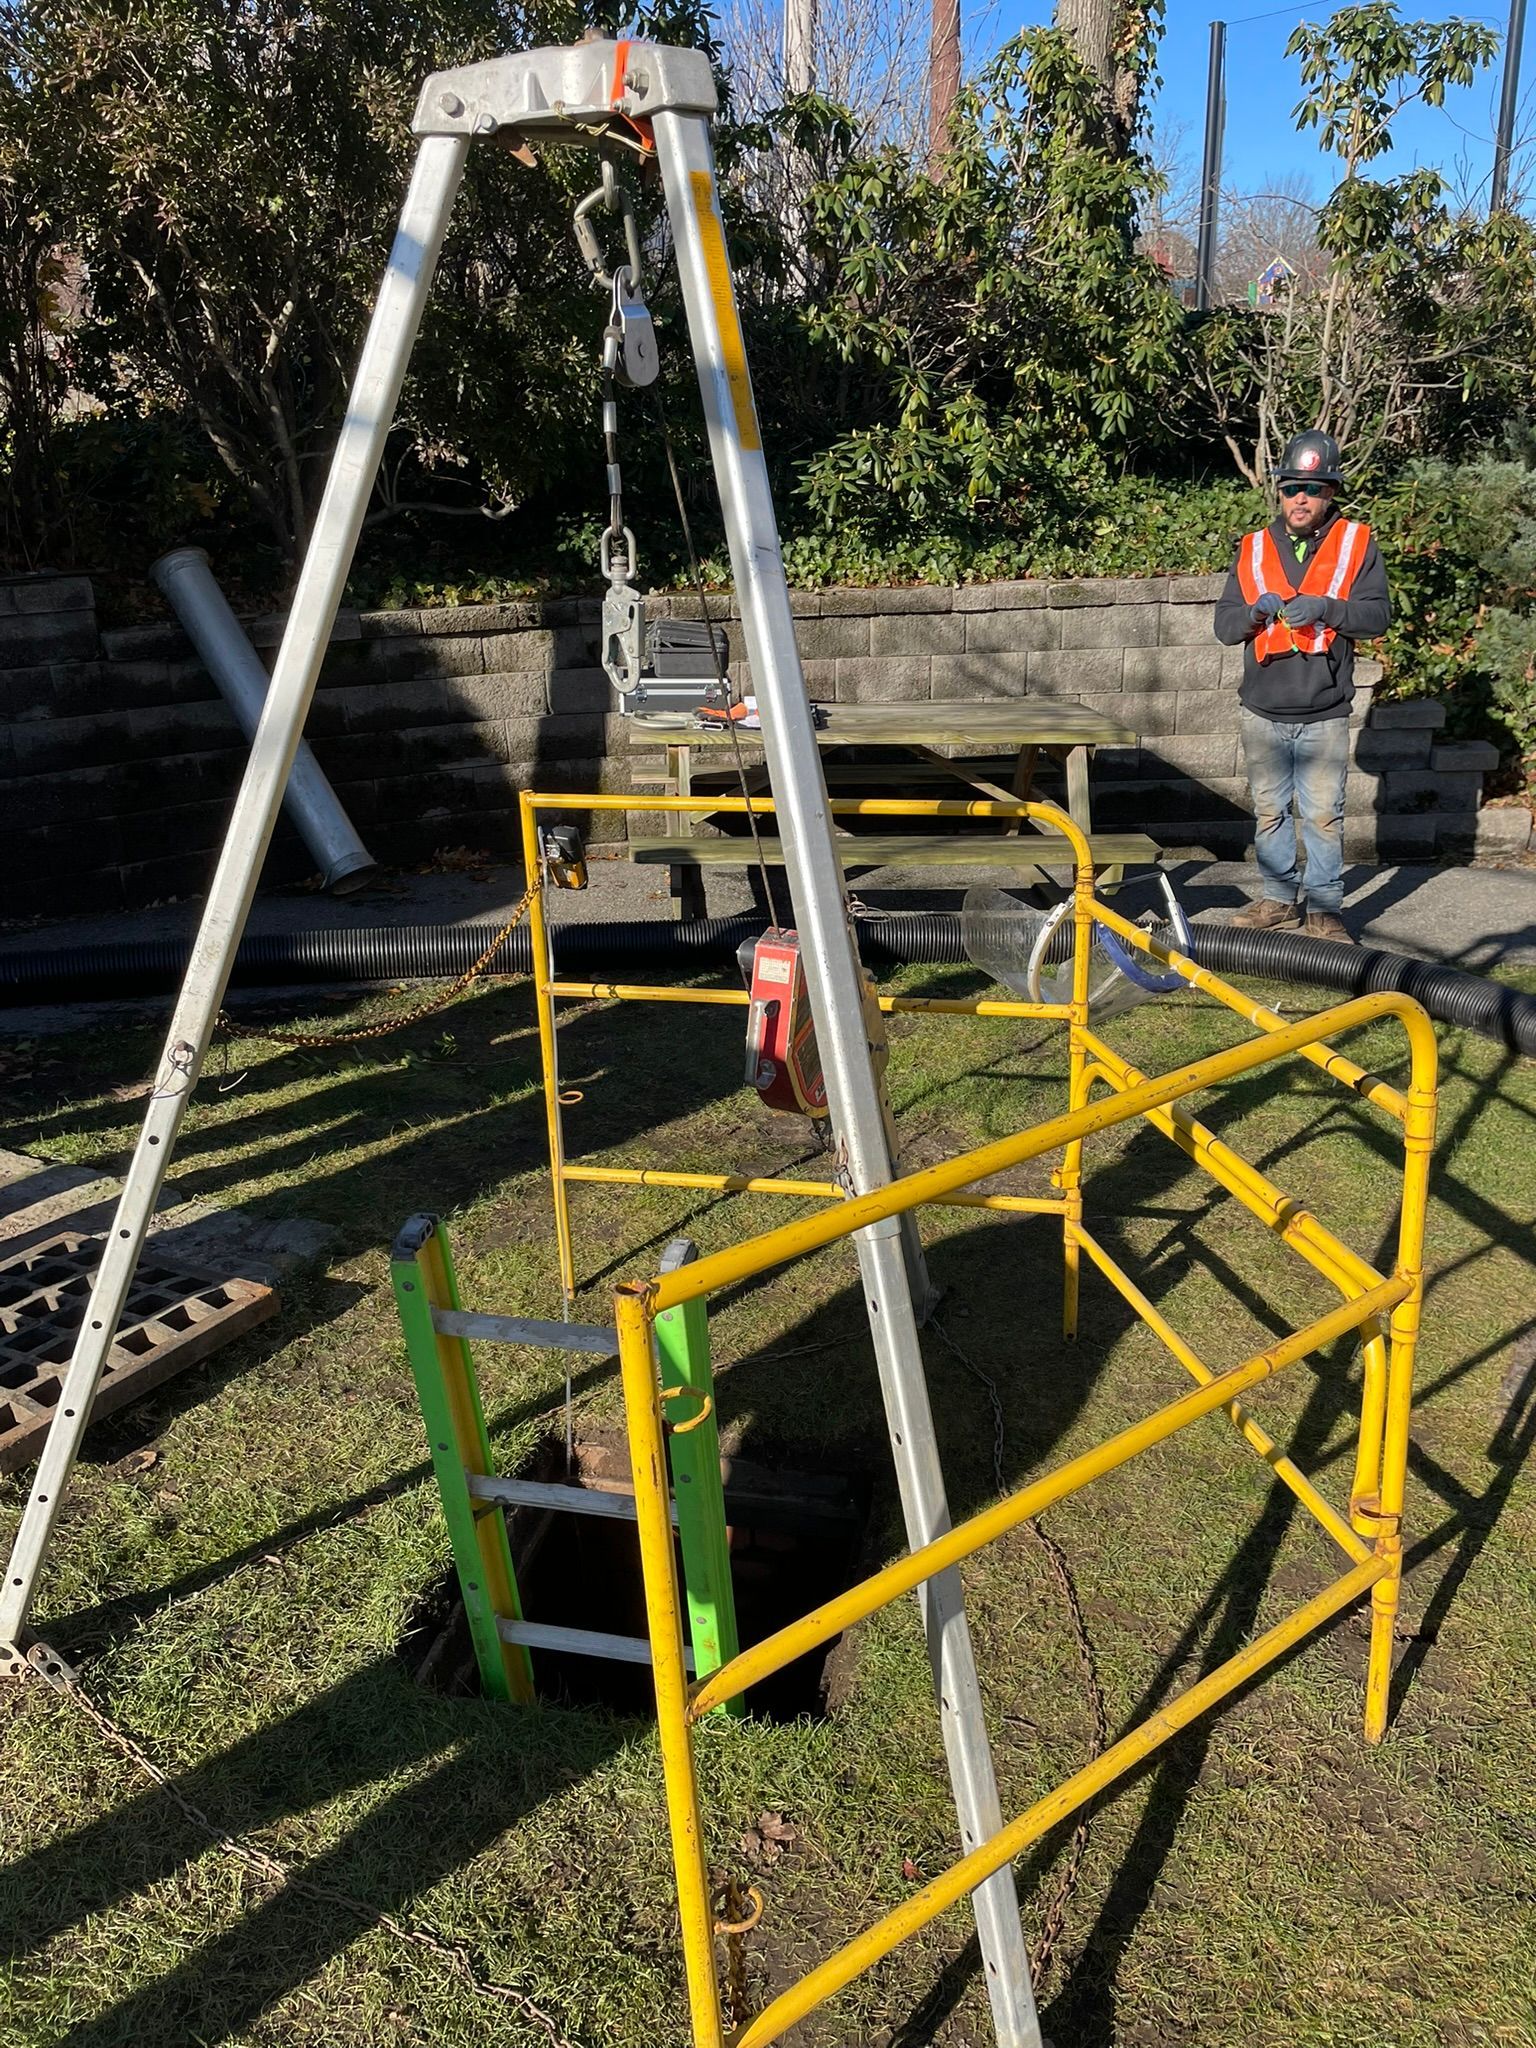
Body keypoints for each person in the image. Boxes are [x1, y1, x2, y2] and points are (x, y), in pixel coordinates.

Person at [1213, 429, 1391, 943]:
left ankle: (1324, 909)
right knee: (1269, 812)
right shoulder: (1251, 549)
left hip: (1325, 709)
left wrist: (1329, 608)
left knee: (1323, 816)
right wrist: (1252, 613)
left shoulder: (1357, 544)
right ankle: (1277, 899)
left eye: (1313, 489)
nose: (1301, 499)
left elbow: (1378, 616)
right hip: (1263, 709)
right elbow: (1225, 629)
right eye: (1292, 488)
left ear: (1330, 492)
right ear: (1280, 491)